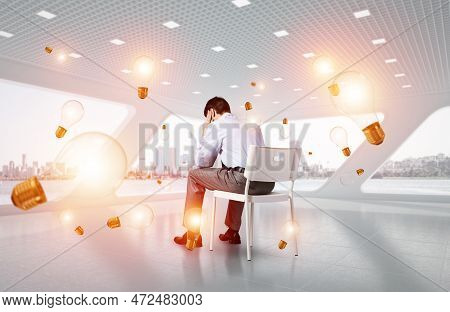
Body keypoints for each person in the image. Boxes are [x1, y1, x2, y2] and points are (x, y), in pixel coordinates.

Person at [174, 97, 275, 249]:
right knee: (240, 173)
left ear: (211, 112)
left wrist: (207, 127)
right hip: (266, 184)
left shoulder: (217, 125)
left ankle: (192, 233)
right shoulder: (253, 126)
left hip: (242, 182)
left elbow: (203, 162)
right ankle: (233, 231)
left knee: (194, 174)